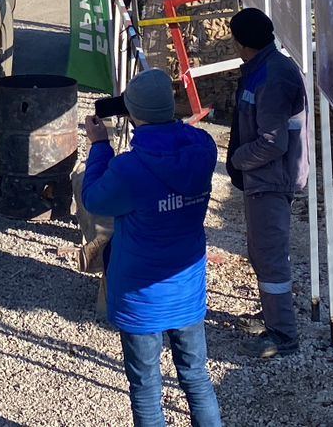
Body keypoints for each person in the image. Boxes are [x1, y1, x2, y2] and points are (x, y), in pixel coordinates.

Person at [81, 69, 222, 427]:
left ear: (133, 115)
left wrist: (99, 146)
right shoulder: (203, 148)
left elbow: (95, 199)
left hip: (141, 296)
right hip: (187, 288)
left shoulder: (131, 168)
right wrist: (168, 124)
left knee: (146, 388)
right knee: (196, 377)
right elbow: (183, 135)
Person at [227, 7, 309, 358]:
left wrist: (237, 160)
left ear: (240, 41)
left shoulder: (272, 78)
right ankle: (273, 315)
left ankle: (283, 335)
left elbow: (274, 142)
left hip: (271, 180)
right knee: (260, 252)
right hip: (263, 179)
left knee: (271, 257)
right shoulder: (264, 68)